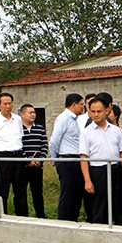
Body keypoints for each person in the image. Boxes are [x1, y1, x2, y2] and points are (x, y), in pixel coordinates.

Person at [80, 95, 122, 225]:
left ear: (106, 111)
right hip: (98, 172)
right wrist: (87, 180)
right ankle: (100, 231)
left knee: (119, 203)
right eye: (93, 111)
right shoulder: (86, 133)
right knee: (100, 205)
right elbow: (83, 158)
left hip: (116, 169)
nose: (96, 114)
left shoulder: (115, 130)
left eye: (99, 111)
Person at [0, 92, 28, 216]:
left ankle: (22, 216)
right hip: (2, 158)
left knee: (20, 189)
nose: (8, 106)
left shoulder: (17, 119)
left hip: (18, 156)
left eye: (10, 103)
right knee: (3, 189)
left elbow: (20, 137)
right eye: (5, 104)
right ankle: (2, 215)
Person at [49, 93, 86, 221]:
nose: (82, 107)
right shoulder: (63, 118)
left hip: (76, 160)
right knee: (68, 193)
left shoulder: (74, 120)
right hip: (67, 159)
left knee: (77, 194)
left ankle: (73, 219)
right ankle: (64, 220)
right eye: (81, 104)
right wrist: (55, 157)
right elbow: (54, 140)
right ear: (74, 104)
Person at [20, 103, 48, 218]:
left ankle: (41, 215)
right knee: (21, 192)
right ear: (22, 114)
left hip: (37, 166)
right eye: (30, 113)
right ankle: (23, 216)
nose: (33, 115)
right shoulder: (18, 129)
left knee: (38, 192)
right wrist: (28, 160)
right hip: (23, 167)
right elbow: (18, 146)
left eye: (34, 112)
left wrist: (40, 159)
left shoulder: (40, 128)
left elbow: (44, 145)